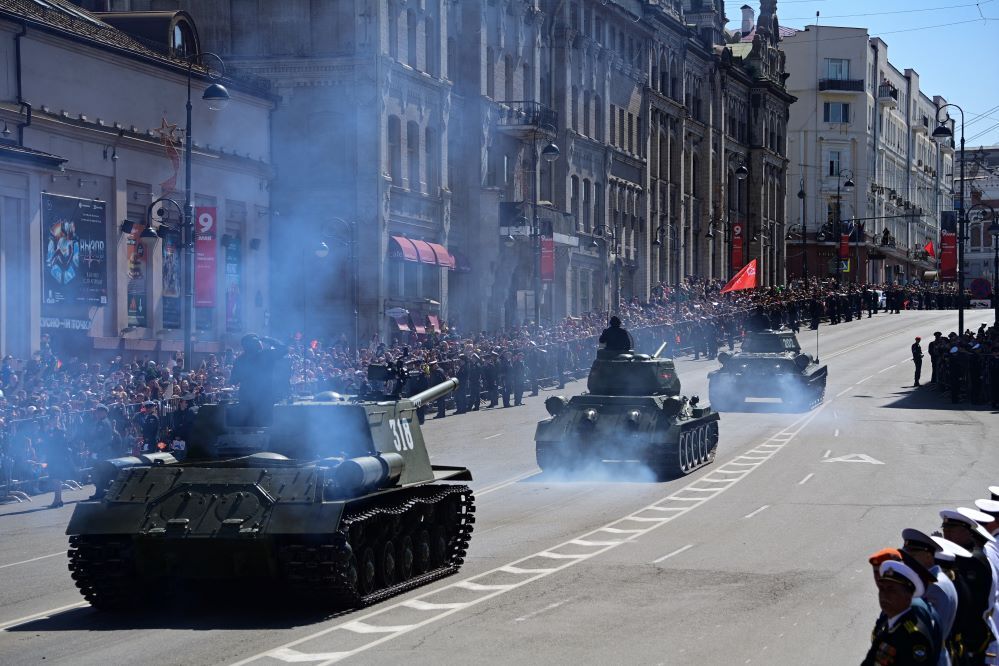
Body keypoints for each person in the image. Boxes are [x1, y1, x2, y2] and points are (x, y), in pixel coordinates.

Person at [863, 560, 937, 666]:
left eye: (891, 590)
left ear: (908, 597)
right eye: (882, 589)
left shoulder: (915, 638)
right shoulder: (888, 623)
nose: (884, 595)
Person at [230, 334, 289, 425]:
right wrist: (268, 339)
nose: (260, 343)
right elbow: (284, 349)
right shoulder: (266, 355)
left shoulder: (240, 360)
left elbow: (233, 381)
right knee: (265, 425)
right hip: (265, 397)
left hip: (246, 398)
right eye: (258, 341)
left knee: (248, 426)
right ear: (255, 344)